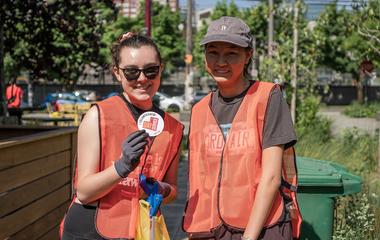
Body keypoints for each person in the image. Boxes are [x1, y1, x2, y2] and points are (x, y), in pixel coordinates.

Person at [182, 16, 302, 240]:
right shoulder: (199, 110)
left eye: (231, 53)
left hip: (263, 227)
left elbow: (272, 176)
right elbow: (200, 178)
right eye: (213, 52)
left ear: (248, 56)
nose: (221, 61)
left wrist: (249, 237)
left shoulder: (267, 96)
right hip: (212, 229)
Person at [60, 32, 183, 240]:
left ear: (161, 69)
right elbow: (84, 192)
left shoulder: (174, 128)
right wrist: (121, 167)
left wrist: (160, 189)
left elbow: (173, 190)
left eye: (151, 70)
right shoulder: (97, 116)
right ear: (117, 73)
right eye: (132, 72)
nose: (142, 79)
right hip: (91, 229)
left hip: (142, 230)